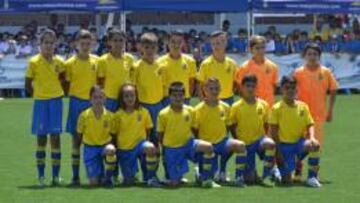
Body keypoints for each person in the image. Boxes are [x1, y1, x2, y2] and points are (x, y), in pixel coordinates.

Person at [25, 29, 65, 186]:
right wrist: (39, 93)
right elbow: (28, 84)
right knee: (41, 138)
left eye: (51, 42)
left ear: (55, 44)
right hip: (41, 103)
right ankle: (41, 176)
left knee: (55, 138)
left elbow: (63, 80)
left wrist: (57, 92)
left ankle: (56, 177)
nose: (48, 45)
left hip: (56, 101)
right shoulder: (34, 62)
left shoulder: (60, 62)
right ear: (40, 44)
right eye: (45, 42)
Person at [292, 43, 338, 180]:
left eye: (315, 54)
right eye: (309, 54)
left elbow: (334, 89)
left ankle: (313, 174)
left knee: (315, 145)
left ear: (319, 56)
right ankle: (298, 171)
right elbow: (290, 89)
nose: (312, 57)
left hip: (318, 115)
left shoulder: (325, 72)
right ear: (304, 56)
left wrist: (330, 111)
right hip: (300, 115)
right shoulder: (298, 72)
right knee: (299, 144)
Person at [157, 82, 215, 187]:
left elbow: (194, 129)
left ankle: (204, 176)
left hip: (188, 144)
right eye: (174, 95)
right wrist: (165, 151)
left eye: (180, 95)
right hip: (172, 149)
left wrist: (195, 142)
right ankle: (169, 178)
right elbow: (160, 134)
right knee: (175, 184)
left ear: (184, 96)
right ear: (169, 96)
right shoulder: (163, 114)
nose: (178, 98)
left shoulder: (190, 110)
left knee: (208, 147)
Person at [269, 76, 321, 188]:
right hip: (283, 148)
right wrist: (278, 154)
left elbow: (310, 124)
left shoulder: (303, 106)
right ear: (281, 89)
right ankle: (277, 170)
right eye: (287, 87)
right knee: (287, 181)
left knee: (315, 145)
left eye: (293, 87)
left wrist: (312, 137)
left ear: (296, 90)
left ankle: (312, 177)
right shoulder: (276, 108)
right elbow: (273, 134)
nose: (290, 90)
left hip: (299, 144)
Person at [193, 78, 247, 186]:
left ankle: (238, 178)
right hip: (207, 145)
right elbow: (195, 130)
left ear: (220, 89)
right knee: (209, 178)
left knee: (240, 145)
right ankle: (200, 171)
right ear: (205, 89)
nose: (214, 91)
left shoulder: (226, 107)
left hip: (222, 143)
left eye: (216, 88)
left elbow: (227, 126)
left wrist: (223, 139)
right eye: (211, 88)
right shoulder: (198, 109)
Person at [64, 29, 98, 185]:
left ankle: (97, 174)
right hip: (76, 103)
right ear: (76, 44)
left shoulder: (97, 62)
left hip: (92, 105)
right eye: (82, 43)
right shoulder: (70, 63)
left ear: (93, 44)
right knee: (76, 141)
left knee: (94, 139)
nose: (85, 46)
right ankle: (75, 176)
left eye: (88, 43)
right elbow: (66, 83)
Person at [230, 74, 276, 186]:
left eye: (253, 86)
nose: (250, 89)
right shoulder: (236, 106)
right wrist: (238, 140)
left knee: (270, 144)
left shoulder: (264, 105)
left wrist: (263, 137)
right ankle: (251, 172)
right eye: (247, 86)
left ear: (256, 88)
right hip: (245, 144)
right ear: (242, 87)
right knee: (250, 180)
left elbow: (266, 125)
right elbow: (232, 126)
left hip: (259, 142)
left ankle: (267, 176)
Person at [111, 83, 160, 187]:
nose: (130, 98)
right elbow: (114, 135)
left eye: (132, 95)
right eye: (126, 96)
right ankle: (127, 175)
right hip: (125, 150)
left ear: (136, 96)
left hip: (140, 146)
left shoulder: (144, 112)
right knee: (129, 182)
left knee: (150, 147)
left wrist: (145, 142)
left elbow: (149, 131)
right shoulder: (118, 115)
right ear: (122, 98)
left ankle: (151, 177)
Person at [77, 85, 117, 187]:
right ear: (90, 99)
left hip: (104, 147)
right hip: (90, 149)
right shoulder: (84, 116)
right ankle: (100, 176)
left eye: (101, 97)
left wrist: (108, 145)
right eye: (95, 97)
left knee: (111, 149)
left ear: (105, 99)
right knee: (94, 183)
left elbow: (113, 135)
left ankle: (108, 178)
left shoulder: (110, 116)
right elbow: (79, 134)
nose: (98, 100)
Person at [133, 32, 164, 146]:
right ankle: (144, 159)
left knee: (157, 135)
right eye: (146, 47)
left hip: (158, 105)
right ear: (140, 47)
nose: (149, 50)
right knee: (144, 135)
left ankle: (155, 160)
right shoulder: (137, 67)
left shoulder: (160, 65)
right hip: (143, 105)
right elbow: (133, 87)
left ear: (157, 48)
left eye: (152, 47)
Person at [97, 29, 135, 112]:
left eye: (121, 40)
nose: (118, 43)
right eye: (115, 40)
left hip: (125, 99)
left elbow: (132, 79)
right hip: (109, 99)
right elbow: (100, 82)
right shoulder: (103, 60)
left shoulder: (130, 59)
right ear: (109, 42)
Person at [236, 35, 279, 106]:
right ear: (251, 49)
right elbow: (239, 87)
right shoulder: (244, 67)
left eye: (263, 47)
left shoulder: (273, 66)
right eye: (257, 48)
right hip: (251, 106)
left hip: (268, 105)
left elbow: (274, 86)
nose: (260, 51)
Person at [157, 30, 197, 106]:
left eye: (179, 42)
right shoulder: (159, 62)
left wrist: (187, 97)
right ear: (168, 42)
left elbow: (191, 82)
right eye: (173, 41)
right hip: (166, 99)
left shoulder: (190, 61)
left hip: (184, 99)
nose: (176, 45)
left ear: (183, 43)